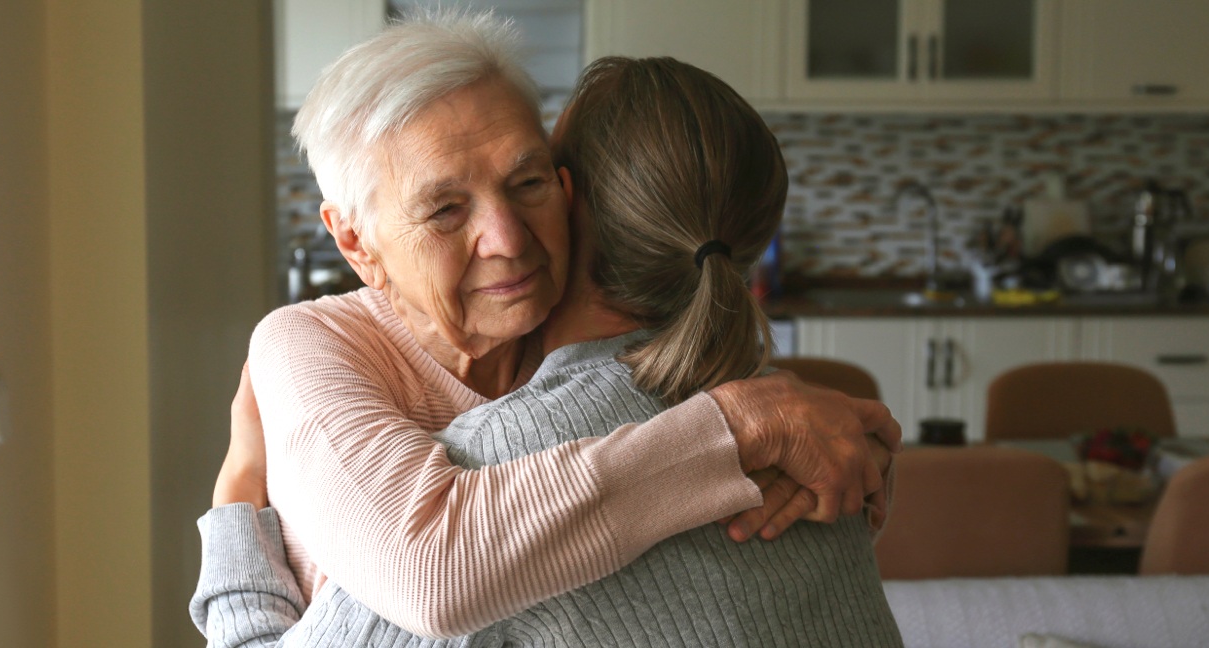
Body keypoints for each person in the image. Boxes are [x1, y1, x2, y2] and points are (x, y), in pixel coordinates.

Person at [193, 10, 900, 644]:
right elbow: (430, 568)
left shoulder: (575, 374)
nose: (506, 238)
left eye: (528, 182)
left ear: (575, 194)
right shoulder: (314, 350)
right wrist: (739, 424)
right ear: (354, 245)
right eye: (445, 210)